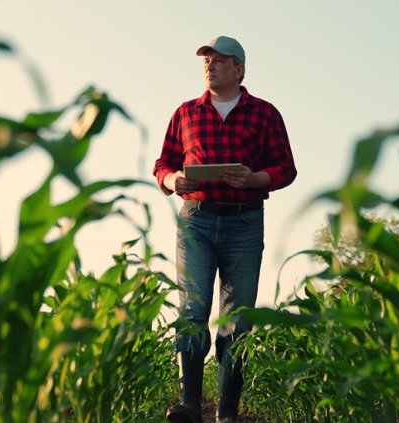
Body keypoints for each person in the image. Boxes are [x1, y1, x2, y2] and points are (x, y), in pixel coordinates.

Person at [152, 36, 297, 423]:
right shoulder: (185, 113)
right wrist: (173, 180)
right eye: (206, 61)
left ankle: (227, 412)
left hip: (244, 223)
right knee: (193, 310)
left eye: (219, 60)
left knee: (237, 319)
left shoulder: (265, 113)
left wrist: (255, 179)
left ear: (239, 69)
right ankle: (189, 405)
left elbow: (286, 168)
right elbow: (162, 164)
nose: (210, 65)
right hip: (195, 220)